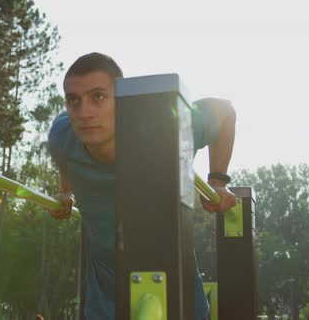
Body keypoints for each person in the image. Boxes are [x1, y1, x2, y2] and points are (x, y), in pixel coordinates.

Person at [47, 52, 237, 320]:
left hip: (178, 303)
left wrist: (217, 180)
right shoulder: (61, 137)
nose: (84, 112)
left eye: (98, 96)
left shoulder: (166, 129)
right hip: (104, 309)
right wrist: (66, 191)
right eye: (73, 101)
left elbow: (225, 110)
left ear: (122, 101)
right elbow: (64, 154)